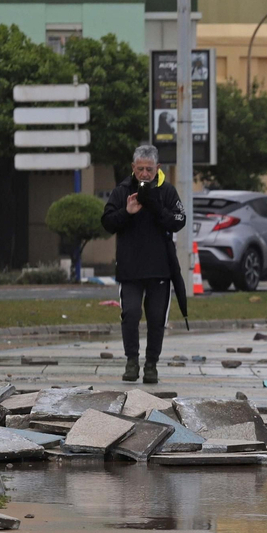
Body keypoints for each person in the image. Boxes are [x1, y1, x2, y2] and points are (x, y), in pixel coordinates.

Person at [102, 145, 187, 385]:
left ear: (158, 168)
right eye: (140, 169)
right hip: (129, 269)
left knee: (156, 317)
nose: (145, 174)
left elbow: (179, 221)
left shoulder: (167, 191)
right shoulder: (122, 191)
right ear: (133, 168)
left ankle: (151, 365)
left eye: (149, 169)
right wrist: (127, 212)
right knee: (130, 313)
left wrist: (155, 206)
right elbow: (107, 222)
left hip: (160, 269)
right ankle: (132, 362)